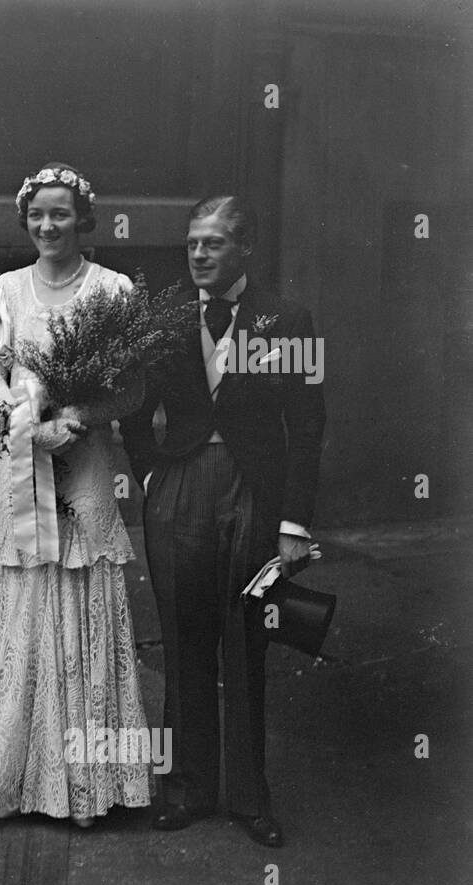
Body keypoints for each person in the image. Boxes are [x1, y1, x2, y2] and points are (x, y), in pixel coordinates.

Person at [120, 195, 326, 848]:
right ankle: (186, 788)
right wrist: (151, 472)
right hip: (178, 484)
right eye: (192, 244)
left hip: (252, 489)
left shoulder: (287, 319)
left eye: (212, 243)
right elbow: (131, 404)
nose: (199, 254)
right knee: (182, 636)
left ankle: (248, 796)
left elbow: (308, 424)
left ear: (245, 248)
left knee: (247, 638)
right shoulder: (169, 316)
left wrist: (293, 520)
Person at [0, 164, 152, 824]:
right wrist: (20, 414)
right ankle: (4, 778)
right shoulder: (5, 288)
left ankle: (90, 787)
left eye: (60, 213)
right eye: (37, 214)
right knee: (21, 604)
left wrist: (80, 420)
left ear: (84, 218)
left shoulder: (114, 289)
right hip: (20, 469)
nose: (47, 225)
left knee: (78, 597)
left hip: (84, 466)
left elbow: (132, 389)